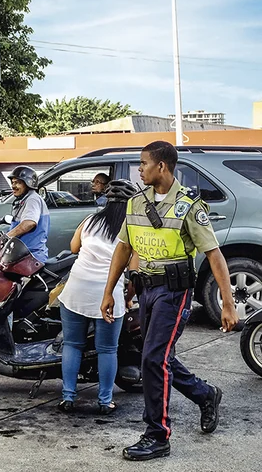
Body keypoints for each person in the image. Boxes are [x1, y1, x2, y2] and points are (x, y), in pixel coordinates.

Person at [100, 141, 239, 461]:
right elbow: (125, 247)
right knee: (157, 357)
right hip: (146, 291)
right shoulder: (136, 203)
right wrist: (112, 290)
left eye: (143, 163)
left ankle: (157, 434)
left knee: (153, 358)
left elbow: (214, 255)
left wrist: (228, 303)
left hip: (174, 294)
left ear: (162, 167)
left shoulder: (189, 206)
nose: (139, 169)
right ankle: (206, 394)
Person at [57, 179, 138, 415]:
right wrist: (129, 297)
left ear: (106, 199)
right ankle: (105, 401)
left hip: (76, 290)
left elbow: (73, 247)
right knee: (107, 349)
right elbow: (134, 273)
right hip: (109, 294)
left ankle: (68, 398)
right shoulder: (132, 229)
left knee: (72, 344)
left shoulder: (90, 220)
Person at [6, 166, 50, 262]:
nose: (13, 186)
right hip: (23, 255)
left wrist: (6, 237)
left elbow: (29, 223)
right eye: (13, 183)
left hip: (31, 257)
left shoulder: (32, 199)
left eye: (18, 183)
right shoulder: (24, 199)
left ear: (28, 184)